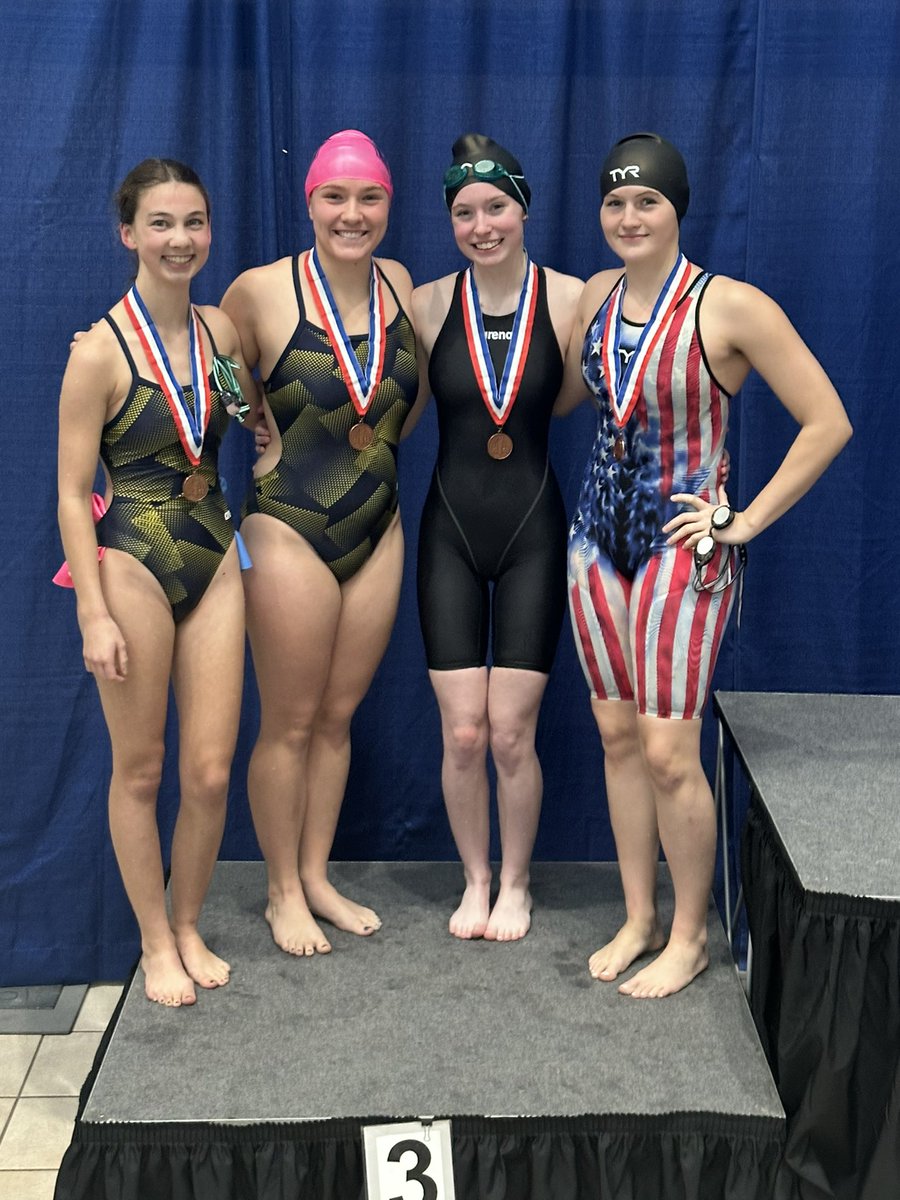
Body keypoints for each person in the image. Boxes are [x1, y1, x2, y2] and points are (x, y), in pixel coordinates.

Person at [558, 133, 852, 996]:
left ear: (677, 207)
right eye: (615, 202)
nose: (629, 215)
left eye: (647, 200)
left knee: (668, 751)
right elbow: (574, 393)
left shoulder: (731, 307)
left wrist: (745, 519)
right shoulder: (599, 297)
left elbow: (827, 420)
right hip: (594, 548)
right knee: (616, 737)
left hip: (681, 555)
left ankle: (688, 934)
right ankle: (639, 915)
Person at [219, 131, 418, 956]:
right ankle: (278, 893)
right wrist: (250, 422)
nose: (352, 213)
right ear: (310, 202)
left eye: (368, 197)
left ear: (387, 206)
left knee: (337, 719)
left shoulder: (399, 283)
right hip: (288, 523)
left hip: (379, 523)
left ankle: (316, 875)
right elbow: (215, 371)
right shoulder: (259, 291)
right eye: (335, 197)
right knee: (290, 723)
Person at [57, 159, 248, 1006]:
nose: (181, 239)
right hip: (131, 554)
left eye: (195, 222)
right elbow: (68, 493)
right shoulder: (97, 351)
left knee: (209, 772)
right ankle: (153, 939)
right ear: (128, 233)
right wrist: (93, 615)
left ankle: (190, 918)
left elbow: (258, 420)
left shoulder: (222, 334)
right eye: (162, 223)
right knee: (141, 770)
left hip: (214, 552)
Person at [410, 134, 583, 941]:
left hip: (533, 530)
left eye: (496, 207)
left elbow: (594, 392)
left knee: (512, 733)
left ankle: (517, 883)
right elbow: (381, 399)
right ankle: (473, 879)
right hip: (449, 528)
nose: (483, 225)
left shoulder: (575, 299)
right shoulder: (427, 303)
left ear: (524, 207)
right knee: (464, 731)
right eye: (464, 212)